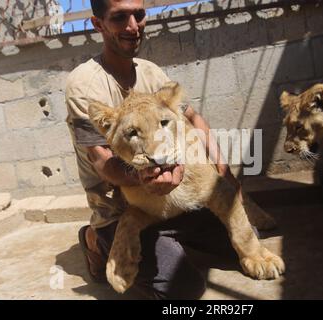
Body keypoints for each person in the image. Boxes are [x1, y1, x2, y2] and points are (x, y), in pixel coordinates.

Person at [65, 0, 247, 299]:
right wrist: (146, 178)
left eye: (138, 14)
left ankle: (169, 239)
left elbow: (193, 118)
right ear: (98, 24)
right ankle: (95, 239)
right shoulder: (84, 85)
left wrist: (222, 169)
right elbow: (102, 161)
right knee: (183, 288)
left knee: (240, 240)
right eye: (120, 17)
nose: (133, 26)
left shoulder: (151, 72)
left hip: (172, 197)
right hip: (122, 207)